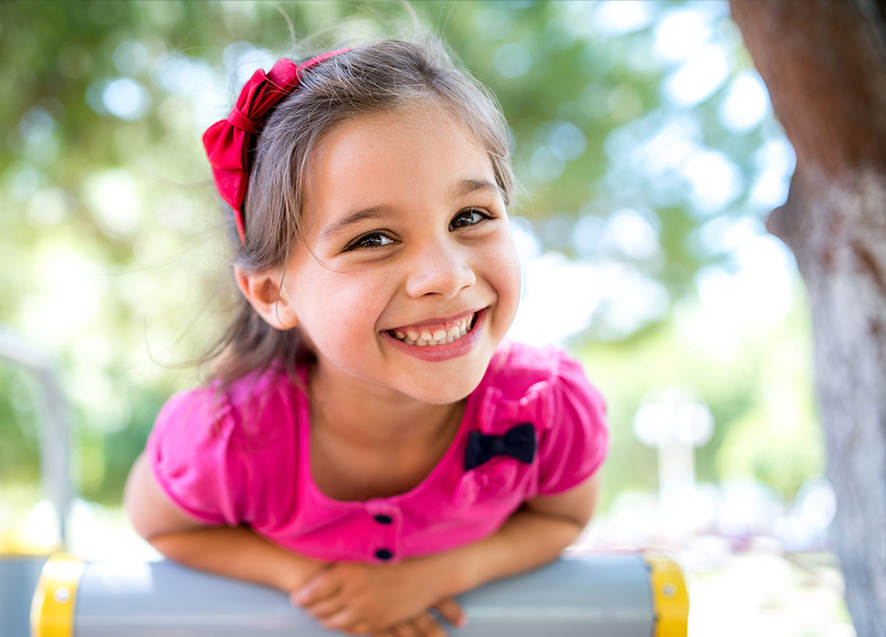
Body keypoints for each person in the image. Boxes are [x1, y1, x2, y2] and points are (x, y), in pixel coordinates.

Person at [124, 36, 608, 637]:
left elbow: (562, 520)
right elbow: (161, 523)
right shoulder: (226, 438)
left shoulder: (548, 413)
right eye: (372, 239)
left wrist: (439, 576)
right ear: (274, 293)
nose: (446, 276)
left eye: (470, 217)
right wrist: (306, 580)